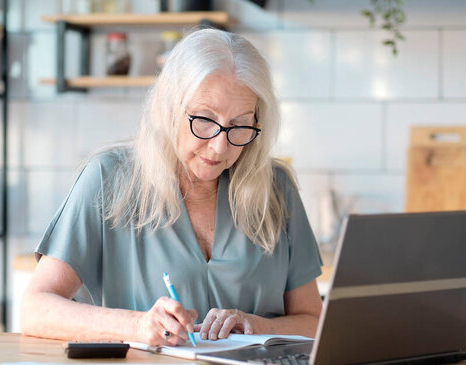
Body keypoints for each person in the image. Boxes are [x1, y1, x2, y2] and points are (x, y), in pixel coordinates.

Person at [21, 28, 323, 347]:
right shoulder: (107, 178)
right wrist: (137, 326)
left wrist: (254, 324)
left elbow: (314, 322)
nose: (220, 146)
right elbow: (35, 309)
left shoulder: (277, 187)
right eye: (204, 119)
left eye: (239, 125)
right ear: (169, 107)